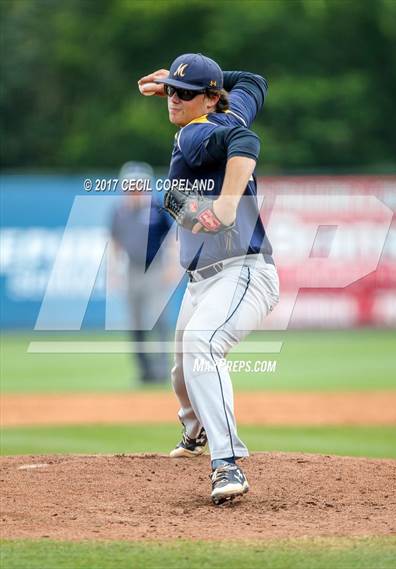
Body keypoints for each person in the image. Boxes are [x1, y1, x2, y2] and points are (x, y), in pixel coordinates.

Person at [138, 54, 279, 504]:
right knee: (182, 370)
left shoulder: (199, 132)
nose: (175, 100)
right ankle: (195, 431)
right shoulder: (227, 106)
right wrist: (181, 81)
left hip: (243, 270)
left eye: (186, 93)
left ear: (209, 99)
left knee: (202, 343)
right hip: (203, 279)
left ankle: (226, 463)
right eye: (173, 92)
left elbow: (245, 140)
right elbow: (255, 78)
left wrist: (228, 203)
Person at [109, 162, 172, 384]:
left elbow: (172, 237)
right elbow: (115, 242)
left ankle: (162, 370)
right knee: (135, 323)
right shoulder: (119, 211)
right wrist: (114, 271)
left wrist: (172, 266)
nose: (134, 189)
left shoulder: (156, 209)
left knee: (157, 319)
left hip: (154, 268)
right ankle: (144, 371)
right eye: (130, 185)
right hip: (132, 270)